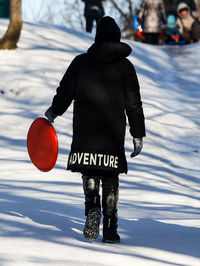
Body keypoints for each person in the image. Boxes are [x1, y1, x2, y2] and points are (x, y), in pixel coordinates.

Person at [44, 16, 146, 244]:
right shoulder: (125, 67)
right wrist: (137, 133)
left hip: (85, 131)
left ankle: (92, 206)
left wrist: (54, 112)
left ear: (97, 37)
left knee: (90, 171)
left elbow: (65, 92)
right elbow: (133, 102)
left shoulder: (80, 62)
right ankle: (110, 229)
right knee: (110, 176)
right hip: (112, 132)